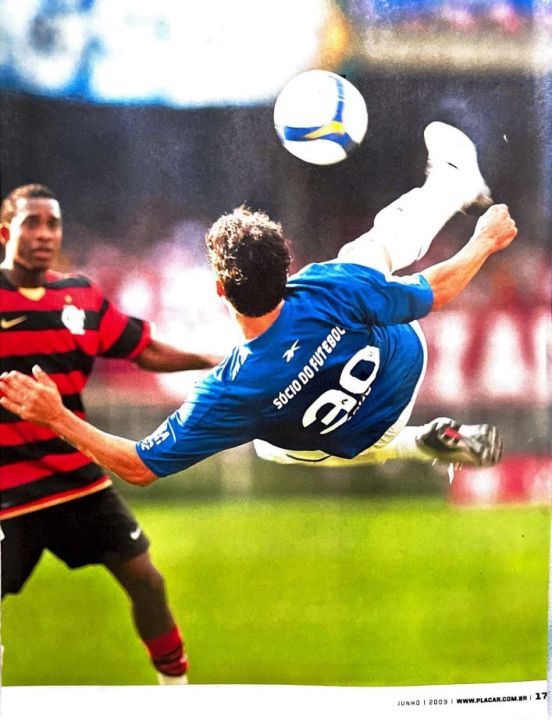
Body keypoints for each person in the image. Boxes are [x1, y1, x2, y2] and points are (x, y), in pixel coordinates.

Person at [0, 123, 517, 493]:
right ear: (287, 267)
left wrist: (57, 416)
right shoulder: (325, 288)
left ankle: (418, 443)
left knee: (267, 444)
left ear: (220, 290)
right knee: (365, 255)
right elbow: (434, 290)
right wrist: (483, 242)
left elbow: (139, 466)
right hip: (402, 363)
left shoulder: (231, 390)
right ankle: (451, 184)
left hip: (354, 436)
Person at [0, 183, 220, 685]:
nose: (45, 234)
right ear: (5, 232)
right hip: (7, 488)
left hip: (76, 478)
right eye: (32, 223)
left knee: (148, 582)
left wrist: (209, 358)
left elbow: (143, 348)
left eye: (53, 224)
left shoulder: (80, 296)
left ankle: (177, 694)